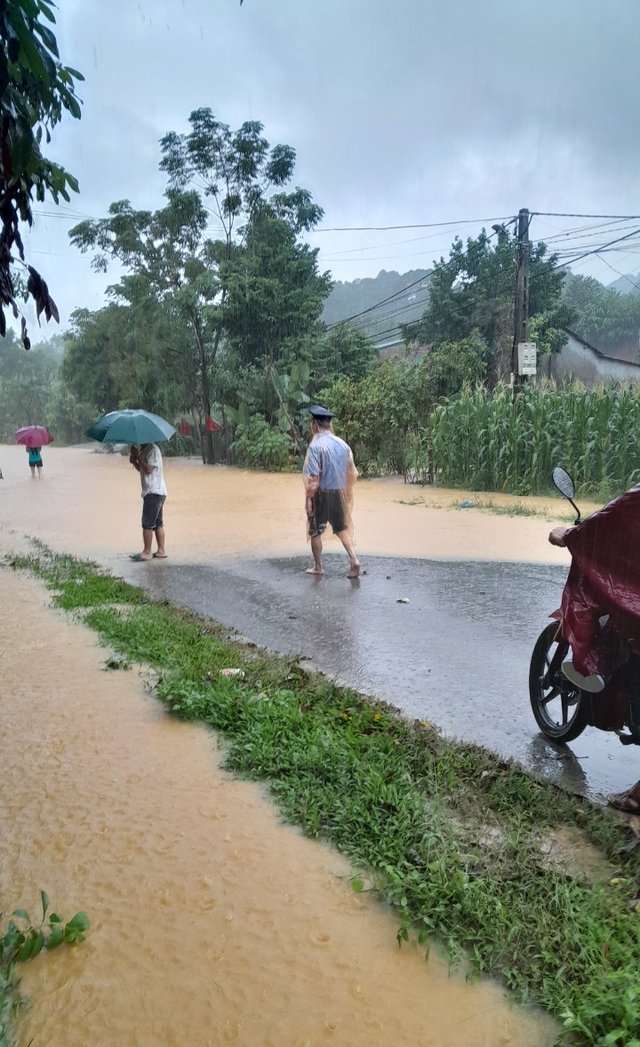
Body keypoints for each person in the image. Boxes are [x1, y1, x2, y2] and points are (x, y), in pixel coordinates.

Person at [302, 404, 360, 578]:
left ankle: (318, 567)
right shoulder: (343, 445)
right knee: (342, 528)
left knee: (315, 531)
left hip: (320, 494)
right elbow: (351, 473)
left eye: (312, 423)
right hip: (338, 492)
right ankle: (354, 559)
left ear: (315, 424)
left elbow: (314, 480)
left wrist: (308, 499)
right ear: (328, 425)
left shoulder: (315, 447)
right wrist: (347, 493)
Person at [128, 442, 167, 561]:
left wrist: (138, 456)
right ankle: (161, 551)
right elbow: (143, 470)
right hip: (156, 491)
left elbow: (149, 469)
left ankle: (147, 551)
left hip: (153, 491)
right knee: (158, 523)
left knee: (147, 523)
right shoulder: (145, 449)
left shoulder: (152, 449)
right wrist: (134, 461)